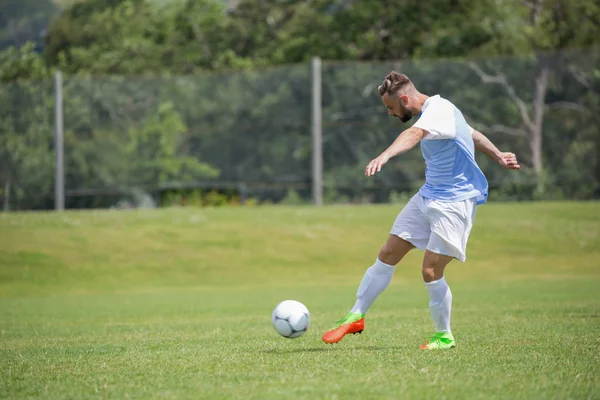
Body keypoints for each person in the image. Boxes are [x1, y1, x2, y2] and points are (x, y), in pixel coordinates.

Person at [321, 72, 520, 350]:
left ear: (404, 98)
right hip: (428, 196)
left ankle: (444, 335)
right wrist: (498, 155)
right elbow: (471, 133)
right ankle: (356, 315)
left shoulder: (437, 111)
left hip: (454, 204)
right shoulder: (442, 109)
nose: (391, 114)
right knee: (387, 254)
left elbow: (413, 134)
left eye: (391, 108)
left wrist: (385, 155)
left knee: (430, 270)